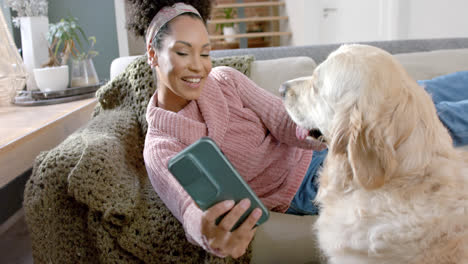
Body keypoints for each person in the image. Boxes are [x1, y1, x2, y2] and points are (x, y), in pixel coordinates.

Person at [128, 0, 468, 259]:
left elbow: (281, 119)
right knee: (438, 118)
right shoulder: (161, 147)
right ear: (153, 55)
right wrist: (207, 233)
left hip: (318, 142)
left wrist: (325, 126)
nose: (198, 67)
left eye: (205, 53)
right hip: (307, 183)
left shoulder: (225, 80)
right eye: (183, 52)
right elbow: (187, 208)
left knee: (427, 92)